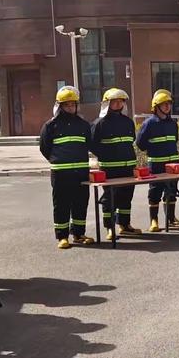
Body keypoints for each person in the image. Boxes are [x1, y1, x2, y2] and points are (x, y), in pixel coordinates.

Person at [39, 86, 93, 249]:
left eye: (73, 104)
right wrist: (57, 160)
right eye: (67, 105)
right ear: (60, 106)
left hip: (81, 172)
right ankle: (62, 237)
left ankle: (78, 234)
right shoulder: (50, 126)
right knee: (61, 204)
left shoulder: (83, 125)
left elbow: (88, 145)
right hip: (61, 173)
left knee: (80, 203)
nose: (70, 107)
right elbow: (44, 148)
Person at [91, 88, 141, 240]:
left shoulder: (127, 122)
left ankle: (124, 225)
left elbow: (130, 140)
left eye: (121, 101)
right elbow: (92, 145)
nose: (119, 104)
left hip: (128, 166)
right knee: (109, 199)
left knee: (126, 197)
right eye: (115, 101)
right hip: (110, 168)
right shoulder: (99, 123)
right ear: (108, 103)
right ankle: (109, 227)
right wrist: (107, 156)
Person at [136, 90, 179, 232]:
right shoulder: (149, 123)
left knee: (172, 191)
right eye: (163, 104)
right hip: (156, 165)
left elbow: (175, 140)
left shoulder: (172, 123)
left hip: (173, 164)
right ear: (156, 106)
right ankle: (154, 221)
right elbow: (140, 143)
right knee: (155, 192)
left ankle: (171, 218)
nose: (167, 106)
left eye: (168, 104)